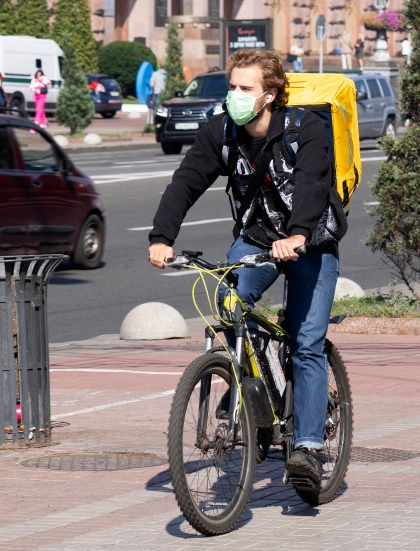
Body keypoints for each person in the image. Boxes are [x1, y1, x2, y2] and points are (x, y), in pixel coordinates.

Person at [148, 49, 345, 491]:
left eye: (245, 89)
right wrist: (161, 237)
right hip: (258, 237)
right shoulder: (221, 132)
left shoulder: (305, 130)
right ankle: (247, 383)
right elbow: (187, 180)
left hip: (310, 241)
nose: (234, 96)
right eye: (231, 87)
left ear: (269, 95)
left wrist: (296, 236)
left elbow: (314, 184)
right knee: (227, 299)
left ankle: (309, 447)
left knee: (307, 342)